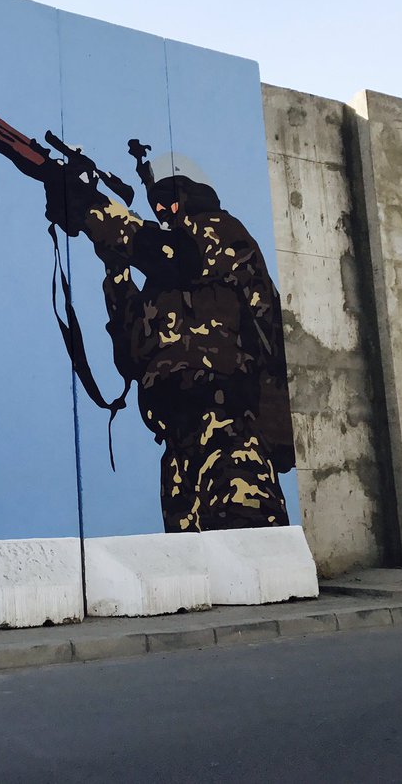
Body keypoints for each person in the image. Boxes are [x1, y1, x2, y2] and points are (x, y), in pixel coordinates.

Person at [41, 144, 293, 533]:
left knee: (250, 540)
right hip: (176, 439)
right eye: (155, 205)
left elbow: (163, 252)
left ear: (191, 194)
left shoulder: (220, 232)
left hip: (228, 425)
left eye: (168, 201)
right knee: (189, 556)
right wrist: (116, 272)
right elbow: (131, 353)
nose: (161, 210)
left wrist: (91, 210)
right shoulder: (163, 289)